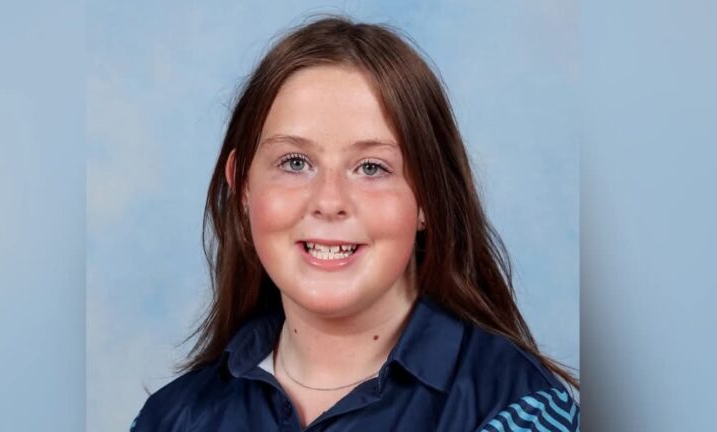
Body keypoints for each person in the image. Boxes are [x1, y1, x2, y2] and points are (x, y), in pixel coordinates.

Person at [130, 16, 579, 432]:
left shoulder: (518, 410)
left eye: (371, 167)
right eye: (295, 162)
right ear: (242, 186)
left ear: (428, 196)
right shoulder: (170, 418)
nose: (329, 202)